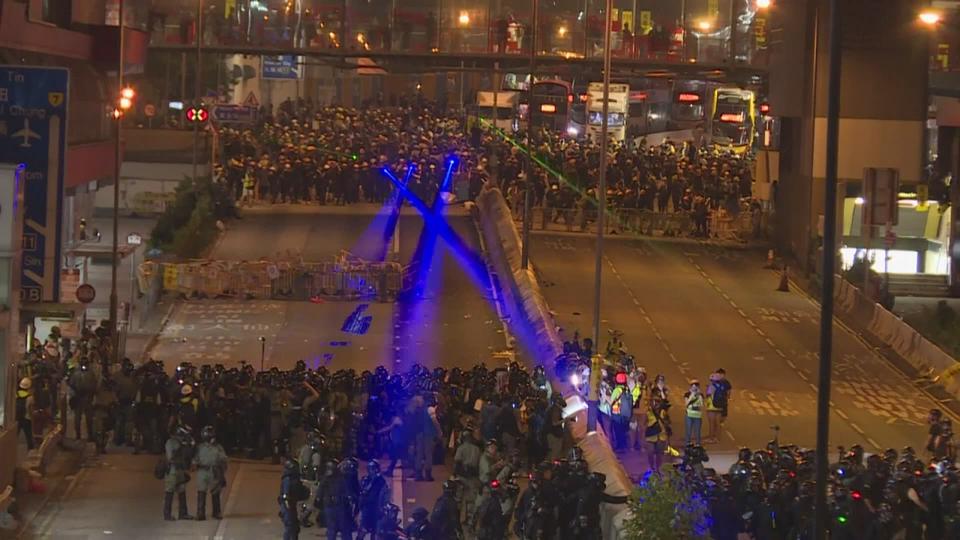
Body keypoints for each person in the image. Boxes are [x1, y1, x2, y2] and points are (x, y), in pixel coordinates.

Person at [194, 425, 228, 521]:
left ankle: (216, 512)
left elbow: (224, 459)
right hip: (202, 471)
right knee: (201, 491)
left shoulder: (218, 447)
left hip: (214, 471)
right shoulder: (199, 447)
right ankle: (200, 513)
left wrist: (222, 472)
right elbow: (195, 459)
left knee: (215, 492)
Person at [163, 424, 196, 521]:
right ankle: (167, 514)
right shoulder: (171, 442)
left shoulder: (182, 443)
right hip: (172, 470)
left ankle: (183, 513)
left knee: (182, 490)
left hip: (180, 470)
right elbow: (171, 457)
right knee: (169, 492)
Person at [279, 457, 309, 540]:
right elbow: (286, 496)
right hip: (288, 507)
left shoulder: (294, 478)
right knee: (290, 527)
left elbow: (300, 492)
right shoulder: (288, 479)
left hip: (292, 505)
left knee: (295, 528)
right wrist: (289, 509)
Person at [358, 459, 389, 539]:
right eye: (370, 469)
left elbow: (385, 494)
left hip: (377, 508)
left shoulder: (381, 480)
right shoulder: (365, 480)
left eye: (373, 469)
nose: (372, 471)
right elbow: (362, 492)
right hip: (367, 507)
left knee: (375, 532)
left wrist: (384, 506)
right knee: (363, 529)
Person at [645, 397, 671, 472]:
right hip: (651, 436)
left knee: (659, 454)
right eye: (653, 402)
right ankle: (651, 467)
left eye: (657, 402)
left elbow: (668, 423)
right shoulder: (648, 412)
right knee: (650, 452)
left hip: (661, 436)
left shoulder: (663, 412)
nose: (655, 404)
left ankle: (658, 468)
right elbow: (643, 424)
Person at [16, 377, 36, 450]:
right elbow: (31, 410)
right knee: (29, 437)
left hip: (17, 418)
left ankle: (10, 449)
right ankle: (31, 450)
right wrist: (33, 420)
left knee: (15, 436)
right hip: (26, 419)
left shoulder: (16, 395)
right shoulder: (30, 397)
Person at [684, 380, 704, 446]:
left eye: (696, 386)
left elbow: (702, 405)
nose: (694, 387)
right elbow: (686, 403)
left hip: (697, 415)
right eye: (693, 385)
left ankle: (698, 443)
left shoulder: (700, 395)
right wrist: (691, 396)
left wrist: (699, 395)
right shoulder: (687, 394)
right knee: (688, 430)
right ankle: (688, 442)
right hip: (689, 415)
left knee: (697, 431)